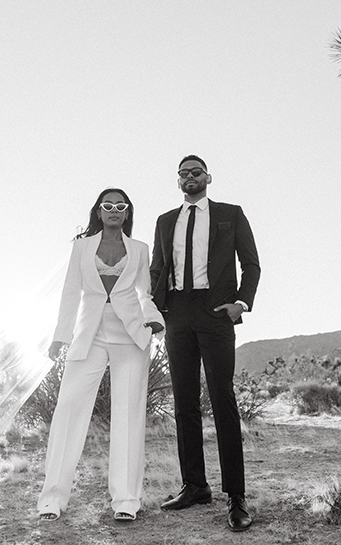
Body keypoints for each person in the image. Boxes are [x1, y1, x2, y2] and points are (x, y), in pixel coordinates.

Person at [37, 188, 165, 523]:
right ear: (99, 210)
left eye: (120, 206)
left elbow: (143, 293)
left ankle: (126, 500)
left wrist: (154, 320)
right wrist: (59, 337)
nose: (114, 210)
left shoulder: (139, 250)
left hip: (131, 335)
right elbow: (69, 293)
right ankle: (52, 498)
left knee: (128, 416)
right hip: (89, 334)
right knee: (68, 410)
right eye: (108, 205)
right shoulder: (81, 248)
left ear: (126, 213)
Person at [150, 155, 261, 532]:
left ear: (208, 177)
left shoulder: (231, 213)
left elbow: (252, 264)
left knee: (222, 400)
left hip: (216, 312)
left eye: (195, 172)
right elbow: (157, 268)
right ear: (178, 181)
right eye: (182, 174)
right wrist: (158, 310)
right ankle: (195, 485)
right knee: (184, 403)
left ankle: (236, 496)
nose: (189, 178)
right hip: (178, 312)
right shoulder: (166, 221)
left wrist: (240, 303)